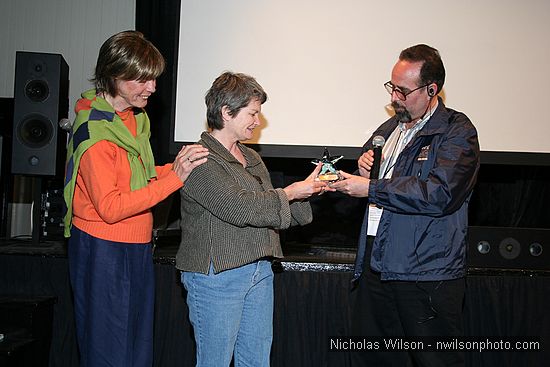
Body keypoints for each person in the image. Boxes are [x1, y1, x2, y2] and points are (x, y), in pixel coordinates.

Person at [62, 30, 209, 367]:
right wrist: (174, 179)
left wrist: (177, 165)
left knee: (136, 348)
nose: (152, 88)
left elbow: (135, 176)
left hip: (135, 245)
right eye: (143, 79)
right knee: (108, 351)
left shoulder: (132, 118)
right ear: (115, 76)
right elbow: (112, 208)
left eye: (153, 78)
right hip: (103, 249)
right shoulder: (96, 134)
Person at [331, 44, 480, 367]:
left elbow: (439, 193)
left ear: (431, 89)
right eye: (391, 87)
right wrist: (364, 170)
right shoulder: (388, 130)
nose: (394, 97)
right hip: (377, 263)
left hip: (425, 271)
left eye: (403, 90)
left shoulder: (457, 131)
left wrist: (371, 186)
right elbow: (380, 182)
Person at [176, 71, 329, 367]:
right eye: (252, 113)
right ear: (226, 112)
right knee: (214, 362)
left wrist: (309, 190)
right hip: (217, 276)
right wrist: (292, 192)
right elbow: (241, 208)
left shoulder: (251, 157)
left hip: (259, 270)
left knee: (257, 362)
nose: (258, 122)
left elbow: (268, 207)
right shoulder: (198, 158)